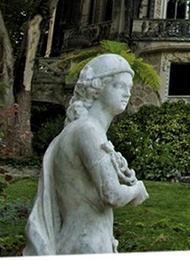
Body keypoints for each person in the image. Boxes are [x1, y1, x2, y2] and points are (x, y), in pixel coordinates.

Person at [24, 53, 149, 255]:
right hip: (89, 243)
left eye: (129, 87)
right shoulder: (88, 131)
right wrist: (137, 190)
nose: (127, 93)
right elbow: (112, 195)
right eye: (118, 86)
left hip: (79, 239)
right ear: (97, 87)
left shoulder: (82, 130)